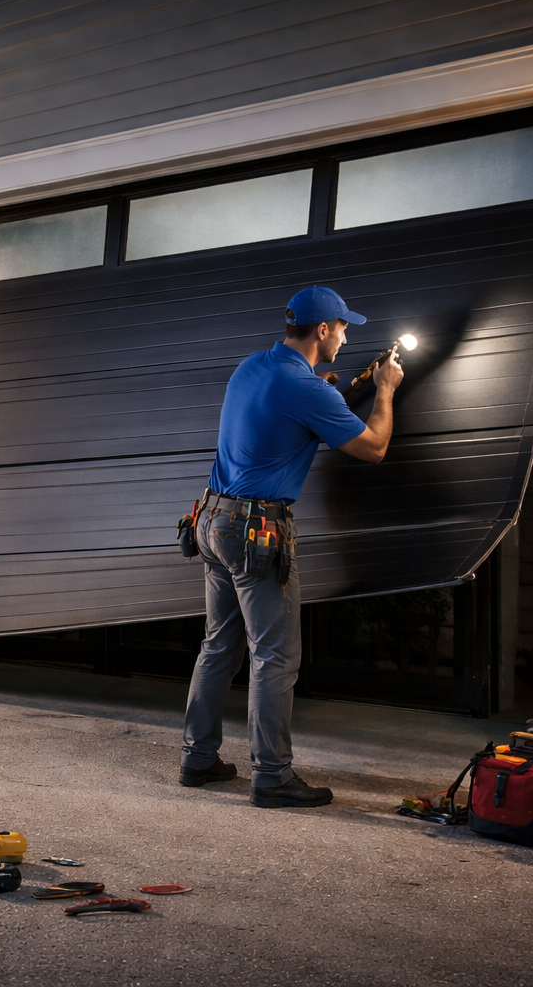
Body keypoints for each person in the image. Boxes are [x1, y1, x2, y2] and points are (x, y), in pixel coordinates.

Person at [179, 285, 404, 807]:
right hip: (256, 532)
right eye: (343, 328)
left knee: (219, 645)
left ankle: (198, 758)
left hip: (211, 519)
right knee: (275, 657)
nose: (346, 338)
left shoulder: (252, 367)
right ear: (322, 330)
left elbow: (277, 416)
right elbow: (373, 448)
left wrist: (325, 391)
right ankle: (273, 777)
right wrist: (385, 389)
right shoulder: (308, 390)